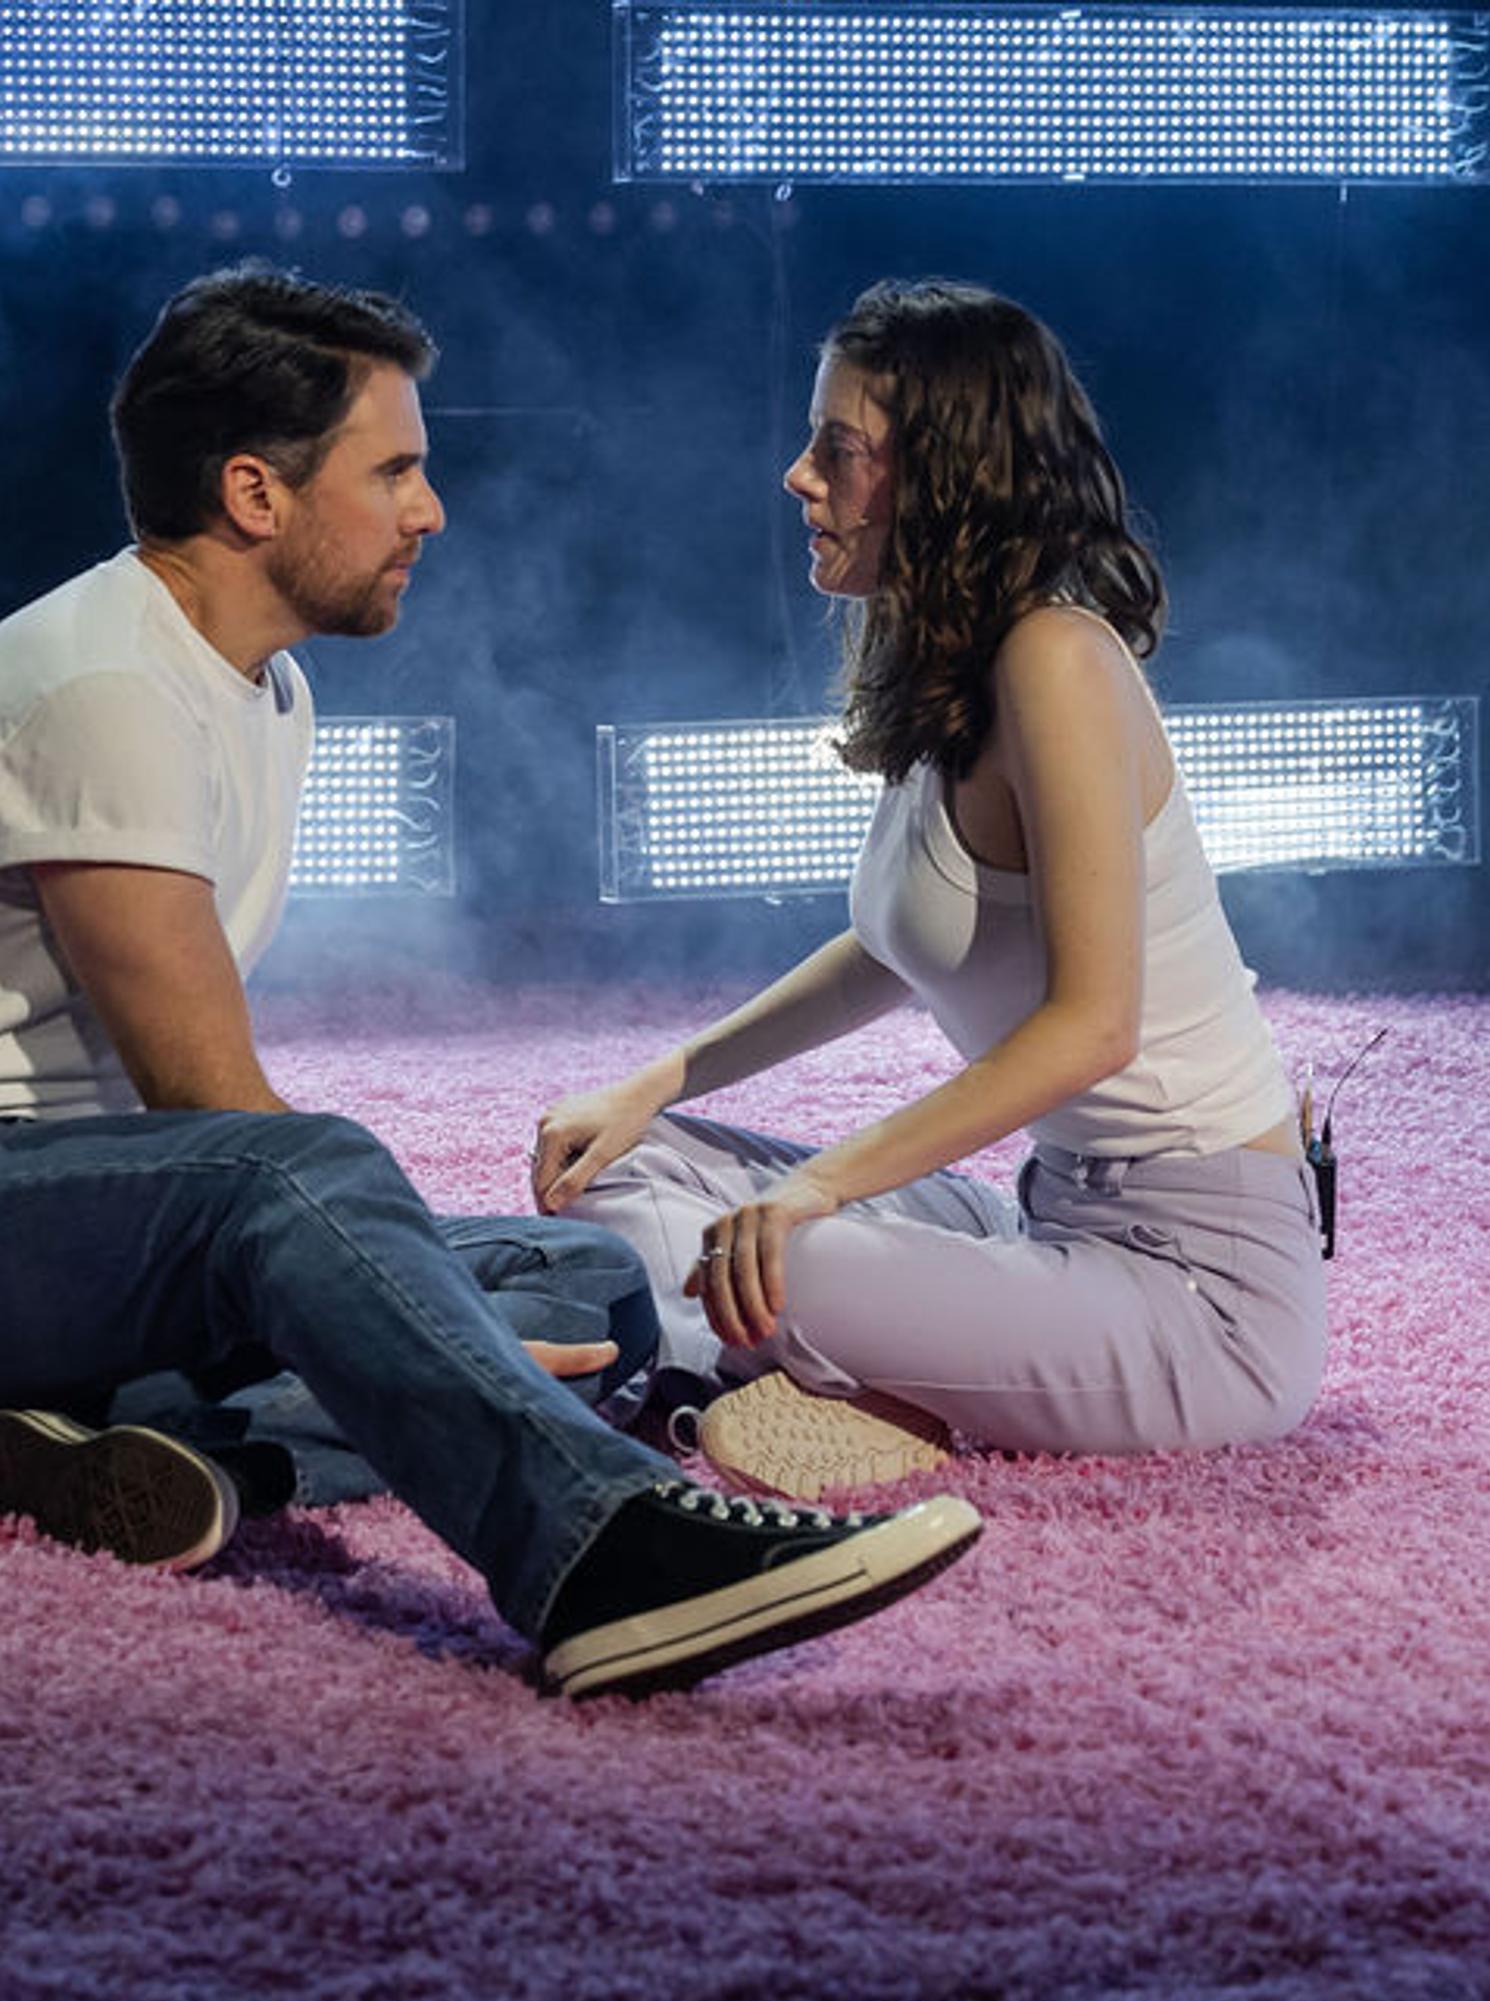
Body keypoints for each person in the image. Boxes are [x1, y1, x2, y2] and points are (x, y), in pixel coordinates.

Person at [0, 266, 979, 1698]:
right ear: (257, 494)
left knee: (592, 1281)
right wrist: (422, 1337)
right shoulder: (100, 688)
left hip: (56, 1232)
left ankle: (181, 1452)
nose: (428, 511)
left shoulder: (265, 686)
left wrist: (419, 1328)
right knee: (309, 1183)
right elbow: (214, 1117)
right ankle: (596, 1551)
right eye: (396, 471)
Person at [532, 278, 1326, 1500]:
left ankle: (703, 1394)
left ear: (943, 475)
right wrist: (665, 1078)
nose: (797, 477)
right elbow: (891, 943)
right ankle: (761, 1374)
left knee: (772, 1253)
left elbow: (1092, 1026)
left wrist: (816, 1186)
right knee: (621, 1168)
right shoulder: (947, 651)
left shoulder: (1055, 659)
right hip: (1048, 1223)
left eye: (834, 451)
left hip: (1197, 1291)